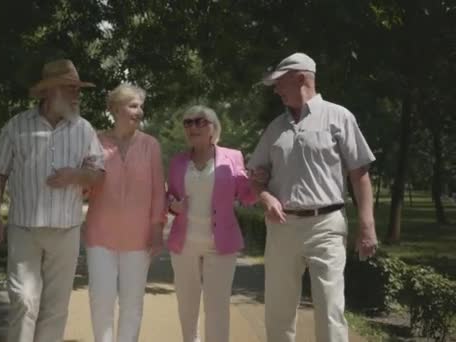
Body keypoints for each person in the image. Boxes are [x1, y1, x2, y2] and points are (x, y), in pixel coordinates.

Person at [247, 52, 378, 342]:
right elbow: (255, 176)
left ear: (301, 78)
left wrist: (367, 226)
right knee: (279, 313)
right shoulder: (275, 128)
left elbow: (360, 174)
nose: (277, 90)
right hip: (282, 228)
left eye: (281, 83)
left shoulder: (339, 117)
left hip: (326, 226)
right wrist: (265, 196)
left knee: (331, 309)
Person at [0, 59, 105, 342]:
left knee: (56, 307)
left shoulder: (84, 129)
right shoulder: (17, 126)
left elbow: (99, 175)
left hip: (66, 230)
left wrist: (75, 174)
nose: (77, 94)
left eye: (78, 88)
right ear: (50, 91)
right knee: (24, 300)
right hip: (24, 229)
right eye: (71, 88)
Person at [166, 105, 256, 342]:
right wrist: (172, 205)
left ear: (213, 128)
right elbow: (170, 196)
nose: (193, 127)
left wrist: (257, 182)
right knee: (187, 308)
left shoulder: (233, 157)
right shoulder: (177, 162)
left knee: (217, 309)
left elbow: (246, 196)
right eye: (188, 122)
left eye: (200, 121)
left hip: (221, 243)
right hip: (185, 244)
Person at [84, 83, 165, 342]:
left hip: (139, 238)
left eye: (141, 106)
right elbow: (85, 187)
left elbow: (157, 192)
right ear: (116, 109)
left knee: (132, 304)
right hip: (100, 236)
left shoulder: (150, 145)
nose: (139, 111)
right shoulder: (95, 141)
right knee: (101, 301)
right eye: (133, 105)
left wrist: (156, 229)